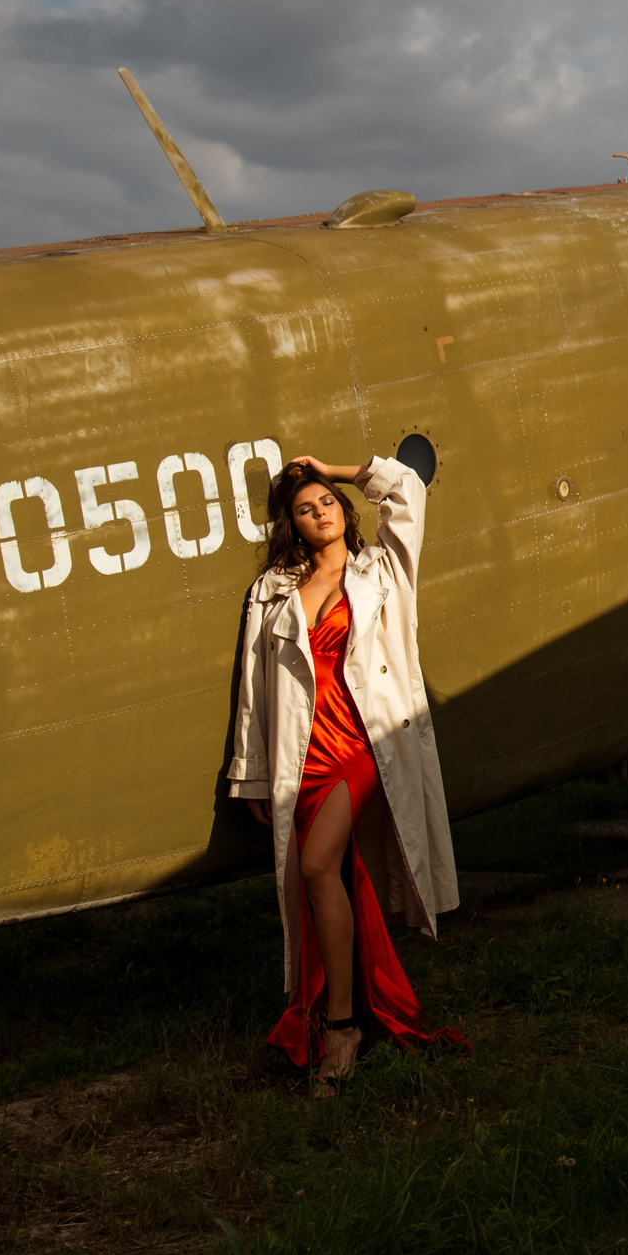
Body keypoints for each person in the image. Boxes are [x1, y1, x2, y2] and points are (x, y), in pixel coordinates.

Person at [223, 453, 465, 1092]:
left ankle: (343, 1026)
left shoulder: (382, 568)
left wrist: (334, 466)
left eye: (327, 500)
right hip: (302, 749)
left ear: (344, 509)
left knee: (315, 866)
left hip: (363, 740)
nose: (319, 511)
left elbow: (407, 488)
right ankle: (352, 1006)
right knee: (330, 879)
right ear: (293, 526)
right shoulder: (273, 590)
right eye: (305, 508)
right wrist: (250, 775)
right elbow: (254, 688)